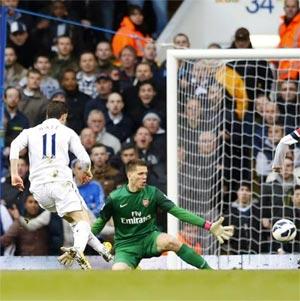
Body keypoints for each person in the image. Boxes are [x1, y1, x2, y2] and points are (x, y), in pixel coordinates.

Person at [9, 101, 112, 269]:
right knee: (84, 220)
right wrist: (87, 170)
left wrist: (14, 174)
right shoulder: (67, 132)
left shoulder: (30, 132)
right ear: (63, 116)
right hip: (60, 183)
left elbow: (14, 146)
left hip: (39, 191)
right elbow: (84, 159)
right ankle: (78, 250)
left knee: (75, 222)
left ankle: (103, 251)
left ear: (47, 115)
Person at [91, 159, 233, 270]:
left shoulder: (153, 193)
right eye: (140, 174)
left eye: (146, 173)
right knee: (118, 271)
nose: (144, 177)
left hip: (150, 239)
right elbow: (100, 222)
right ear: (129, 175)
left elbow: (178, 212)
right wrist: (80, 244)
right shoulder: (115, 197)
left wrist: (208, 226)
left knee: (172, 241)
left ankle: (210, 272)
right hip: (126, 246)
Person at [278, 0, 300, 80]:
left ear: (298, 8)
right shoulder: (282, 26)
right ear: (284, 8)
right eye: (288, 6)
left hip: (297, 72)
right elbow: (282, 46)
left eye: (293, 7)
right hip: (284, 72)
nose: (290, 9)